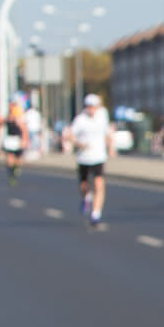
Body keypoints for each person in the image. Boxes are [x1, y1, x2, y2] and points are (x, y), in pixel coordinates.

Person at [69, 94, 114, 228]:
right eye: (89, 107)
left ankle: (96, 213)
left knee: (99, 184)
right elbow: (70, 135)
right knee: (84, 185)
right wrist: (79, 144)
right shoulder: (80, 120)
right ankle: (86, 198)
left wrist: (110, 148)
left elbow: (108, 134)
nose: (92, 109)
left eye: (94, 106)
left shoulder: (102, 117)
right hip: (83, 157)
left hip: (98, 156)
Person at [1, 105, 27, 184]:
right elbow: (0, 124)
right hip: (9, 140)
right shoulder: (8, 119)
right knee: (9, 159)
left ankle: (16, 169)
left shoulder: (19, 120)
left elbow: (24, 130)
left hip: (17, 140)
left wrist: (24, 140)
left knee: (18, 160)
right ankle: (11, 175)